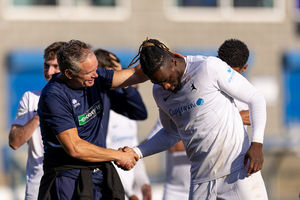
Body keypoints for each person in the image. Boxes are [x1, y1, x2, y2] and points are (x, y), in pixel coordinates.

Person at [122, 38, 268, 199]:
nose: (165, 87)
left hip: (237, 172)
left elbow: (256, 98)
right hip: (201, 180)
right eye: (158, 82)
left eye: (167, 80)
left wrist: (257, 144)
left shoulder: (207, 67)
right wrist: (137, 152)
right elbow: (171, 134)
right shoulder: (159, 93)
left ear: (174, 61)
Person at [37, 40, 149, 200]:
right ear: (69, 74)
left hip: (100, 174)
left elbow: (136, 75)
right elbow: (75, 148)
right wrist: (118, 155)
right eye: (89, 72)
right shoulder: (54, 96)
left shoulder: (95, 76)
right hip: (69, 178)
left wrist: (161, 61)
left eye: (96, 69)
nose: (96, 75)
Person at [8, 41, 65, 200]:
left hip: (71, 182)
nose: (49, 71)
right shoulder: (30, 98)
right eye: (46, 66)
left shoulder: (81, 97)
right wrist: (39, 115)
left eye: (55, 66)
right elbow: (14, 142)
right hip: (38, 185)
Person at [94, 48, 152, 200]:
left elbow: (140, 113)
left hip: (122, 176)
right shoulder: (95, 99)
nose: (121, 74)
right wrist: (129, 192)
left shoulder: (112, 98)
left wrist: (143, 182)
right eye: (115, 71)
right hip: (105, 175)